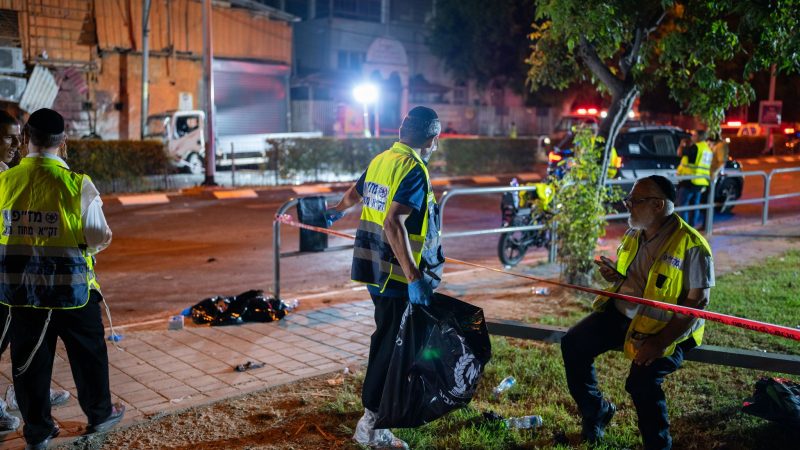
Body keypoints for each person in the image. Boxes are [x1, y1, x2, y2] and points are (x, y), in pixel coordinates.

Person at [0, 109, 125, 449]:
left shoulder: (4, 182)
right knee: (89, 355)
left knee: (28, 363)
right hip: (73, 294)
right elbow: (98, 235)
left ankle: (38, 432)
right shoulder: (76, 184)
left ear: (26, 140)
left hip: (22, 295)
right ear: (63, 144)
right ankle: (100, 413)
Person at [560, 175, 714, 450]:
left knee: (641, 384)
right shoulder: (635, 233)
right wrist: (613, 274)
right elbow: (632, 278)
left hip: (667, 330)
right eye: (628, 200)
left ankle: (658, 445)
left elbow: (697, 304)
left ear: (658, 205)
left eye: (635, 200)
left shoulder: (692, 246)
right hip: (622, 315)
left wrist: (659, 342)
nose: (628, 205)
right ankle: (596, 411)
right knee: (573, 343)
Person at [325, 106, 445, 449]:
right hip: (397, 277)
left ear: (401, 130)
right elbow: (394, 222)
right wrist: (414, 278)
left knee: (388, 342)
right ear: (433, 138)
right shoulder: (414, 169)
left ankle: (377, 416)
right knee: (391, 349)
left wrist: (336, 210)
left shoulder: (382, 160)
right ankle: (373, 424)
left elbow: (357, 191)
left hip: (376, 270)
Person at [0, 111, 72, 433]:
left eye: (19, 137)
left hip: (13, 278)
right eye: (9, 137)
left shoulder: (7, 172)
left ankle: (26, 392)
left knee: (21, 340)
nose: (17, 144)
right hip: (5, 278)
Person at [676, 129, 713, 228]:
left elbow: (680, 153)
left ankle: (684, 229)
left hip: (690, 180)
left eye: (694, 135)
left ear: (699, 137)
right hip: (702, 181)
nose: (692, 137)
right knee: (695, 205)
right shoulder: (708, 149)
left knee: (682, 205)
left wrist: (682, 144)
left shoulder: (695, 147)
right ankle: (692, 227)